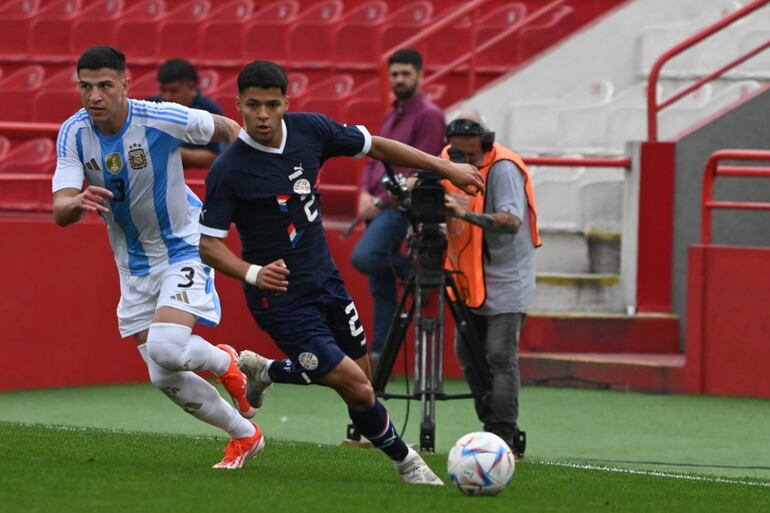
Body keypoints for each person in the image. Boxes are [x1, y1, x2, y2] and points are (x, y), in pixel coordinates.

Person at [197, 61, 483, 485]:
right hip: (279, 299)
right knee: (360, 388)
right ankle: (410, 465)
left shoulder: (310, 130)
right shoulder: (229, 169)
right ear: (237, 103)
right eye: (252, 105)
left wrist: (446, 170)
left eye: (271, 105)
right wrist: (253, 273)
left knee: (359, 382)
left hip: (326, 282)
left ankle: (267, 371)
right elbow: (207, 244)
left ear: (285, 103)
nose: (261, 115)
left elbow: (378, 146)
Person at [51, 46, 270, 470]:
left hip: (183, 245)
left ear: (125, 85)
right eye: (85, 86)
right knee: (161, 373)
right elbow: (60, 209)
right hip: (132, 264)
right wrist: (76, 202)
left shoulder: (162, 116)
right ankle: (246, 436)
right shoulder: (74, 133)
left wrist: (239, 186)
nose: (94, 96)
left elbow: (225, 128)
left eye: (104, 86)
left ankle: (227, 363)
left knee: (169, 349)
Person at [441, 112, 541, 458]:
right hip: (469, 277)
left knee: (499, 355)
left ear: (485, 144)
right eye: (459, 154)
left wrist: (461, 212)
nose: (465, 161)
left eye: (471, 155)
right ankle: (492, 426)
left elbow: (511, 222)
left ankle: (504, 434)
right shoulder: (447, 159)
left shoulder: (504, 168)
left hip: (506, 278)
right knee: (468, 354)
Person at [350, 49, 445, 369]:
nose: (399, 80)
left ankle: (416, 273)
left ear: (420, 75)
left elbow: (425, 168)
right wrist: (364, 193)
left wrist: (381, 200)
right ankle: (381, 357)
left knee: (365, 257)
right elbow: (374, 157)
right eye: (395, 74)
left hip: (401, 208)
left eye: (406, 74)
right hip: (377, 205)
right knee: (381, 290)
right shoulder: (392, 112)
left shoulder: (429, 115)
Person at [148, 59, 224, 168]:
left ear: (192, 87)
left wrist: (172, 150)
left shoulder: (209, 112)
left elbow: (212, 157)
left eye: (174, 91)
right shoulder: (151, 106)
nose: (166, 97)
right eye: (163, 90)